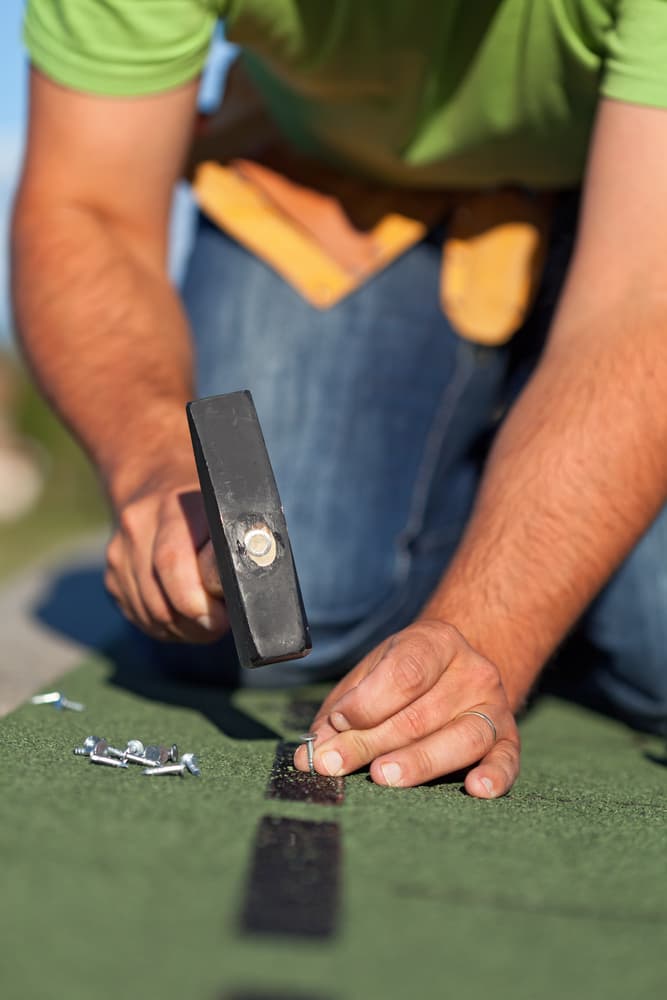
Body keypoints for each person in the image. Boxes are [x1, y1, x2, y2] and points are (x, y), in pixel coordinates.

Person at [12, 1, 667, 798]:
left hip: (637, 210)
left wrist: (488, 629)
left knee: (655, 634)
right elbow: (89, 205)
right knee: (243, 609)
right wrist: (150, 456)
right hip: (335, 182)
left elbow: (640, 299)